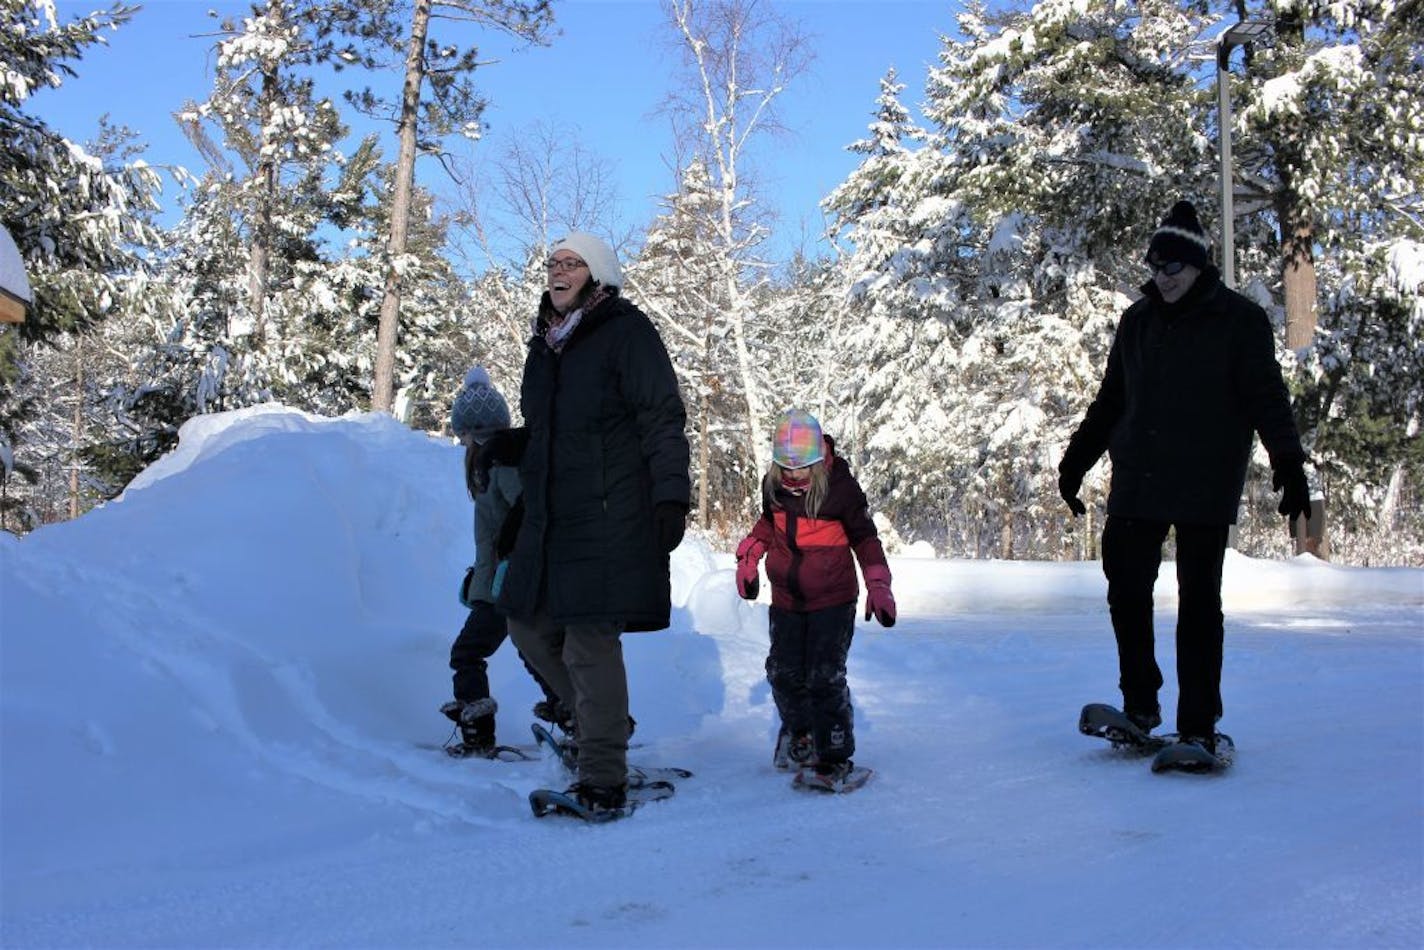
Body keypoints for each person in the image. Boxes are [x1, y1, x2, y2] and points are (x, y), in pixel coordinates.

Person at [1057, 199, 1311, 758]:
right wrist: (1075, 461)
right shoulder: (1137, 322)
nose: (1162, 278)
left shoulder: (1239, 321)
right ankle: (1141, 706)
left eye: (1173, 267)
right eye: (1154, 266)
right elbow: (1111, 401)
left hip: (1204, 479)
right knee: (1125, 588)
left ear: (1198, 265)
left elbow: (1268, 399)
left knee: (1198, 603)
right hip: (1140, 475)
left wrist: (1289, 465)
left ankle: (1197, 723)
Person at [475, 232, 690, 815]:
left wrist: (671, 494)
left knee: (590, 643)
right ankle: (603, 726)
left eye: (572, 263)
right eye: (553, 263)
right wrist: (508, 445)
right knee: (526, 623)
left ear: (597, 275)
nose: (558, 272)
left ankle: (602, 777)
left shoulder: (626, 333)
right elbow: (553, 432)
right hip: (554, 518)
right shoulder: (546, 345)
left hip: (610, 513)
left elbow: (661, 416)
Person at [734, 409, 896, 791]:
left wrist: (878, 583)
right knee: (783, 671)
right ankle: (800, 733)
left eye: (802, 469)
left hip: (833, 600)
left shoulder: (841, 489)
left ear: (818, 460)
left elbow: (865, 538)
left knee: (824, 676)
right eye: (785, 469)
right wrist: (750, 555)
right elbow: (766, 524)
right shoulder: (773, 486)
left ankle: (835, 754)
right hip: (788, 599)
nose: (793, 477)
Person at [440, 367, 563, 756]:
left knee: (468, 653)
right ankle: (570, 712)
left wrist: (501, 569)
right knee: (531, 652)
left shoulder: (501, 463)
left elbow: (525, 518)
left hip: (507, 583)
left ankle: (480, 730)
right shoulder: (492, 462)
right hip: (497, 580)